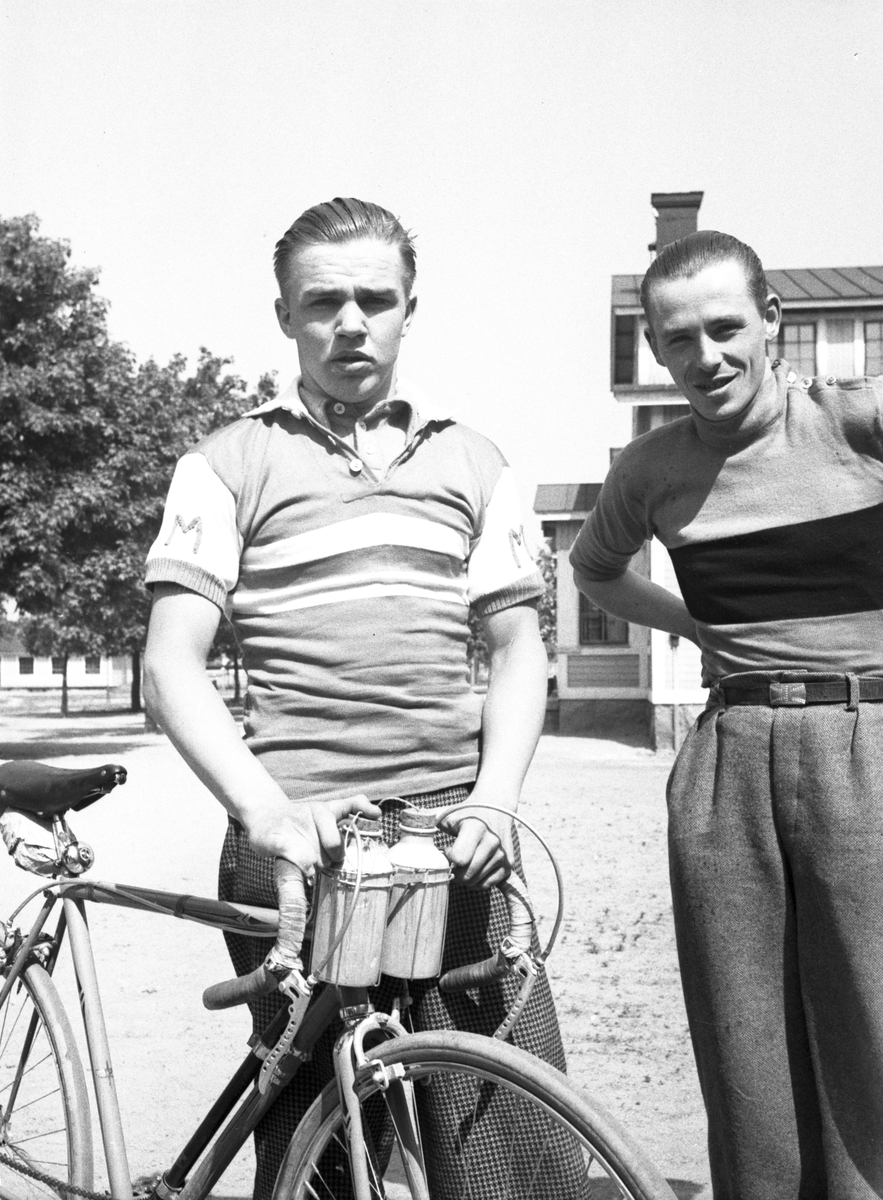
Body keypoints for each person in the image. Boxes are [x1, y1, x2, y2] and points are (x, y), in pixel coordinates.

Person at [143, 198, 581, 1199]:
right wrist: (263, 810)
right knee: (322, 1140)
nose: (351, 323)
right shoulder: (225, 463)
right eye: (322, 302)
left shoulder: (474, 461)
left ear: (408, 310)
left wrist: (495, 800)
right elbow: (170, 665)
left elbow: (518, 648)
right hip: (299, 835)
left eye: (375, 301)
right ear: (284, 316)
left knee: (502, 1129)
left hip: (453, 830)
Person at [570, 230, 883, 1199]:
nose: (705, 357)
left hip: (866, 744)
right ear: (654, 348)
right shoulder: (652, 469)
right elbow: (594, 570)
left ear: (771, 322)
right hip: (729, 755)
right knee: (741, 1034)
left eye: (724, 329)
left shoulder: (865, 419)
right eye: (678, 339)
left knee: (878, 1027)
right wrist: (694, 624)